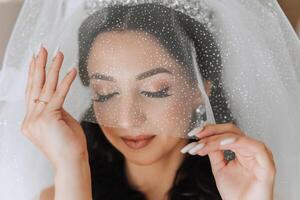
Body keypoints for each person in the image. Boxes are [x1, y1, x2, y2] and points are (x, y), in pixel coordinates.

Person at [20, 3, 276, 200]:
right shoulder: (65, 190)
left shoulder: (245, 187)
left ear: (200, 89)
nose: (126, 119)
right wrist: (71, 163)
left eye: (155, 91)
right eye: (105, 93)